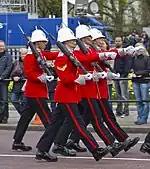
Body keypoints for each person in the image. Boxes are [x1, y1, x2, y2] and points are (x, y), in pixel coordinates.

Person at [35, 27, 111, 162]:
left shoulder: (70, 54)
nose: (74, 41)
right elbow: (64, 78)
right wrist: (77, 79)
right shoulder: (62, 57)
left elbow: (85, 60)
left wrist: (86, 75)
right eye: (70, 40)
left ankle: (42, 149)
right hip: (66, 95)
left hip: (70, 95)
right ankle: (95, 149)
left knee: (55, 124)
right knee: (78, 123)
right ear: (65, 41)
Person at [12, 29, 58, 151]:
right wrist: (40, 78)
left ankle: (17, 141)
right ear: (37, 43)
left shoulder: (40, 54)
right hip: (35, 92)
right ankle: (54, 143)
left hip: (35, 92)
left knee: (25, 118)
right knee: (48, 119)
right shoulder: (29, 56)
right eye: (43, 42)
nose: (45, 44)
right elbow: (29, 73)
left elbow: (53, 55)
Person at [131, 43, 150, 125]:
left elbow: (148, 69)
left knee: (145, 101)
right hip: (135, 81)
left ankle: (143, 118)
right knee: (138, 101)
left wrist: (139, 74)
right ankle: (139, 117)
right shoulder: (133, 58)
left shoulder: (147, 58)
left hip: (144, 81)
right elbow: (130, 67)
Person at [114, 37, 131, 117]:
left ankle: (126, 111)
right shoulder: (114, 51)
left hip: (122, 74)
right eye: (116, 41)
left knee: (124, 94)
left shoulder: (124, 52)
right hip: (115, 74)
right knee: (118, 95)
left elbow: (127, 63)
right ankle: (119, 110)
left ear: (122, 42)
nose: (117, 42)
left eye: (119, 41)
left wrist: (125, 74)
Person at [11, 48, 27, 115]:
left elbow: (29, 75)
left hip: (25, 85)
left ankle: (23, 117)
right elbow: (11, 73)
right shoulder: (16, 63)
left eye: (25, 54)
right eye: (22, 54)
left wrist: (20, 78)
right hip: (16, 85)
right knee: (13, 100)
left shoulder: (30, 63)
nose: (24, 55)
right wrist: (13, 77)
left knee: (24, 102)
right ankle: (23, 114)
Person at [0, 40, 13, 124]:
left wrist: (1, 77)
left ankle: (4, 117)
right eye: (0, 46)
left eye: (2, 46)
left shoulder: (8, 56)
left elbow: (9, 67)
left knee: (4, 100)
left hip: (3, 81)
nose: (1, 47)